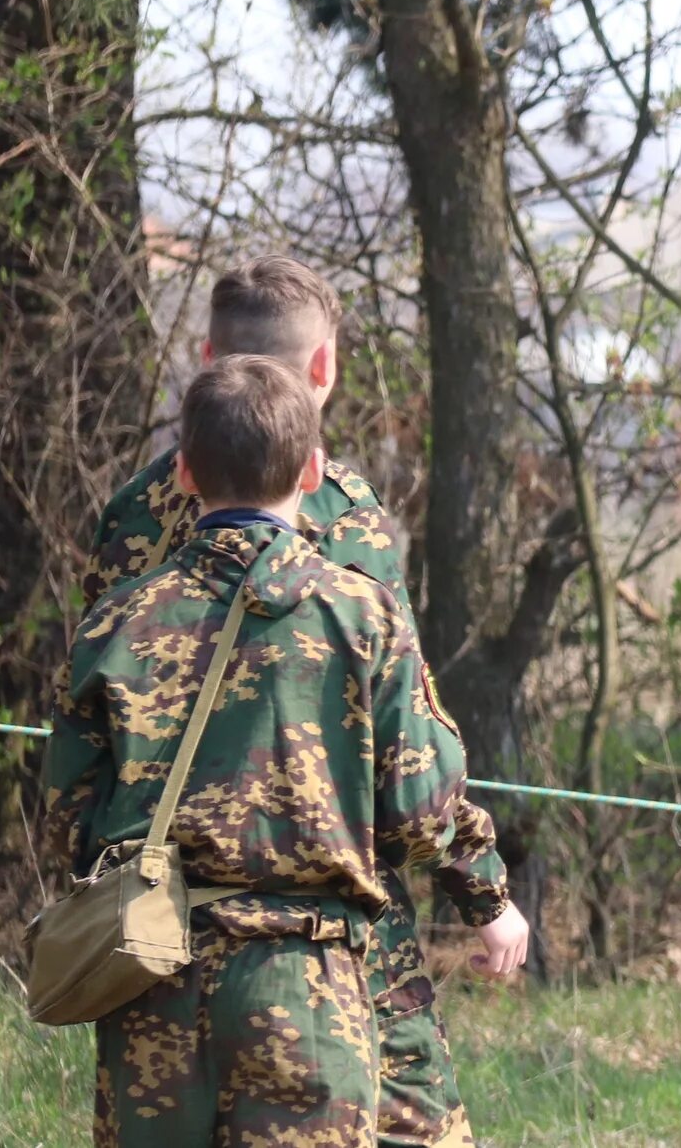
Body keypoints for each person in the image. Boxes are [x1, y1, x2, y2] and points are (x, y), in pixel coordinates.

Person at [86, 257, 524, 1148]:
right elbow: (407, 750)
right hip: (332, 924)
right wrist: (483, 893)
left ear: (208, 357)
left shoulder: (131, 514)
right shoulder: (341, 510)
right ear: (323, 369)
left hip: (160, 926)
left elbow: (92, 742)